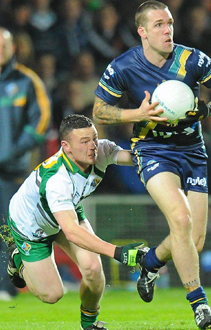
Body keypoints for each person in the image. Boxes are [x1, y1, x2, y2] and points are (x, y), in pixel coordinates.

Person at [93, 1, 211, 329]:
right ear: (142, 31)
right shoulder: (123, 67)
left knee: (193, 240)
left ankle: (149, 262)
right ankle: (200, 307)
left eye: (170, 23)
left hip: (193, 150)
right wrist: (136, 114)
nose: (167, 30)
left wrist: (208, 108)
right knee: (180, 217)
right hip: (152, 150)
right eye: (158, 24)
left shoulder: (192, 59)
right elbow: (99, 110)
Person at [6, 114, 145, 330]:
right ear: (66, 147)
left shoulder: (101, 150)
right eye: (84, 142)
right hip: (31, 228)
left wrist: (165, 143)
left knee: (92, 269)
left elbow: (138, 158)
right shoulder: (57, 179)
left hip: (65, 210)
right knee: (52, 295)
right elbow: (71, 231)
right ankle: (18, 260)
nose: (92, 147)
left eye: (94, 139)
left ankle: (88, 325)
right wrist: (118, 252)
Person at [0, 27, 51, 300]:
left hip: (12, 172)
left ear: (12, 48)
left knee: (8, 230)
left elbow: (41, 122)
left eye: (4, 45)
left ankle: (7, 287)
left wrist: (10, 153)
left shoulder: (26, 80)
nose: (1, 50)